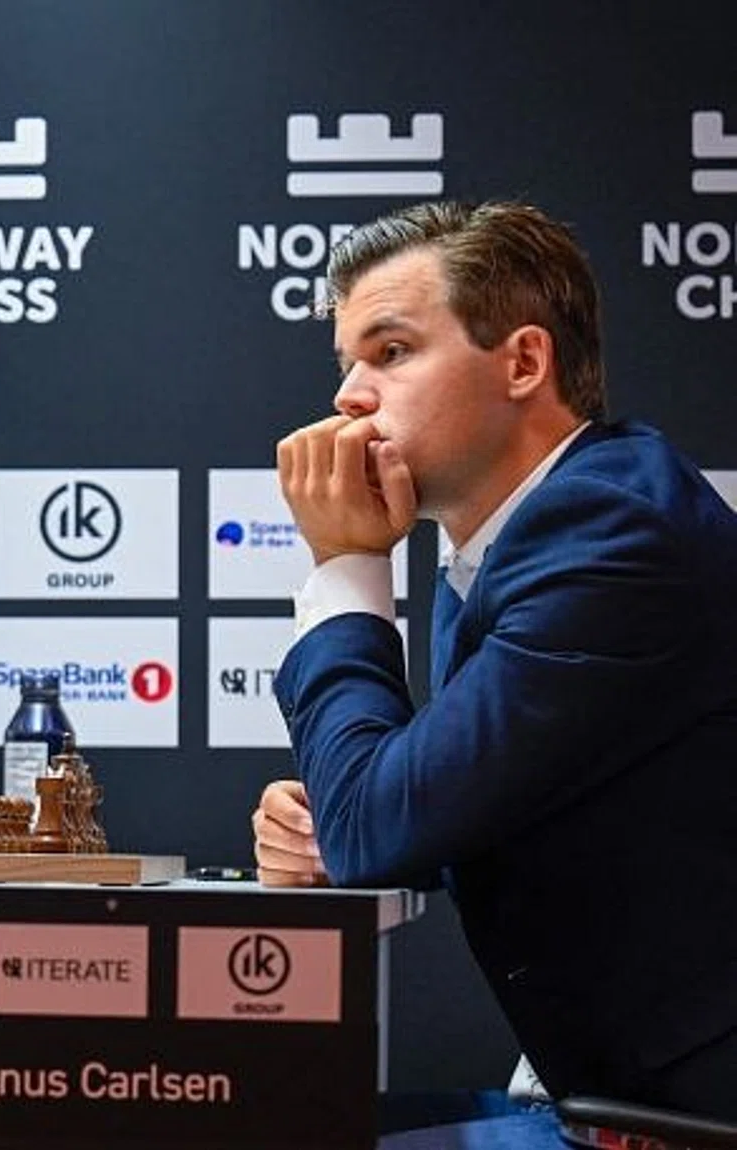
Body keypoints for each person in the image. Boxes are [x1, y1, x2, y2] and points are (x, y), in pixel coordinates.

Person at [251, 201, 737, 1115]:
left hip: (678, 1113)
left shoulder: (608, 533)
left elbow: (380, 833)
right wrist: (340, 821)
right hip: (608, 1087)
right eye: (349, 362)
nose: (349, 396)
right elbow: (450, 807)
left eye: (391, 353)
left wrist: (349, 567)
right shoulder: (526, 532)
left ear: (523, 362)